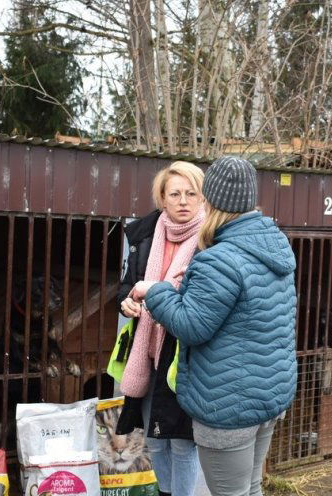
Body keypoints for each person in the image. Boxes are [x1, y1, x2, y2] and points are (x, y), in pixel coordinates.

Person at [131, 156, 297, 496]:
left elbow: (192, 326)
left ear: (211, 200)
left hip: (229, 401)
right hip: (268, 394)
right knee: (250, 488)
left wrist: (156, 290)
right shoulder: (274, 245)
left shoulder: (219, 258)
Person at [116, 161, 207, 496]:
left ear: (202, 199)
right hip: (149, 354)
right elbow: (127, 286)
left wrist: (157, 295)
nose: (183, 201)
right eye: (175, 194)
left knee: (183, 443)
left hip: (187, 356)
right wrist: (127, 302)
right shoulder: (145, 236)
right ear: (162, 199)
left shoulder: (209, 241)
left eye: (190, 193)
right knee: (155, 439)